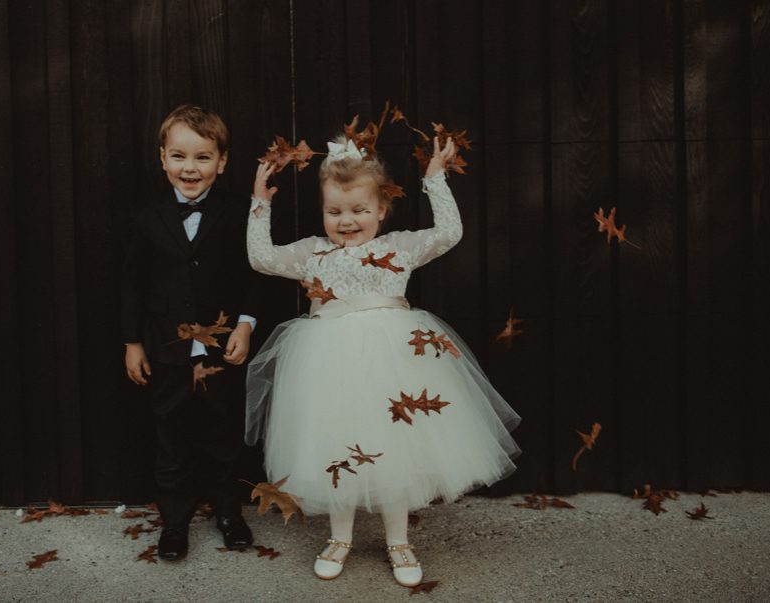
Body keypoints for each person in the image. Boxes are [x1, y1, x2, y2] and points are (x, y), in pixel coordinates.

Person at [245, 135, 521, 586]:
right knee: (336, 447)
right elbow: (261, 259)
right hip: (328, 366)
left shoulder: (399, 248)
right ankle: (339, 537)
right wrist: (260, 205)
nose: (346, 221)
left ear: (381, 209)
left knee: (395, 450)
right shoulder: (313, 253)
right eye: (334, 212)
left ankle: (399, 541)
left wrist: (435, 180)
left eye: (358, 210)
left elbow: (450, 234)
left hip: (394, 361)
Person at [121, 104, 259, 561]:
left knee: (222, 433)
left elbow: (254, 275)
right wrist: (133, 342)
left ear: (222, 161)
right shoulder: (146, 217)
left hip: (222, 347)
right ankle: (175, 522)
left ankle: (228, 512)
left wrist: (245, 323)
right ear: (162, 158)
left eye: (202, 157)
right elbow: (132, 284)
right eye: (179, 156)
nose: (190, 168)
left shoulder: (240, 213)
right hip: (166, 347)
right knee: (172, 436)